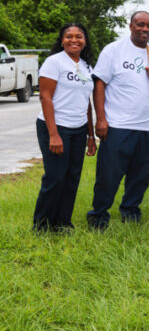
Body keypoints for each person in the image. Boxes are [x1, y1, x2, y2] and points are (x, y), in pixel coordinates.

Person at [86, 11, 149, 230]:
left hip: (147, 126)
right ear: (131, 25)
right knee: (109, 174)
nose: (145, 29)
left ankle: (131, 211)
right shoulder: (114, 50)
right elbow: (99, 84)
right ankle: (99, 215)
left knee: (140, 175)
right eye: (140, 24)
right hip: (118, 125)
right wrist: (100, 119)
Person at [33, 23, 97, 232]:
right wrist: (53, 134)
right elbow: (45, 97)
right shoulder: (54, 62)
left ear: (85, 40)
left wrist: (90, 135)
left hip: (79, 129)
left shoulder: (87, 66)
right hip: (55, 126)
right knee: (55, 177)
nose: (74, 40)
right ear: (62, 40)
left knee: (72, 177)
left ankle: (62, 223)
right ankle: (42, 226)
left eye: (79, 36)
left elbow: (86, 101)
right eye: (69, 36)